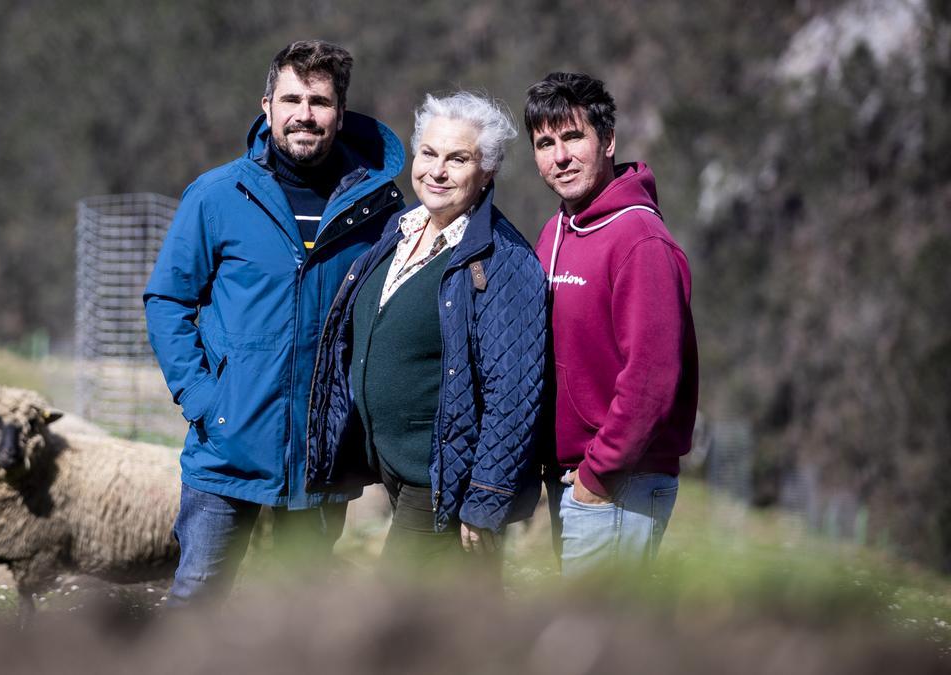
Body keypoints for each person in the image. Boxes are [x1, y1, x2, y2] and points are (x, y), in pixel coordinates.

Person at [143, 40, 405, 606]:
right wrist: (202, 397)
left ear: (340, 112)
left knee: (297, 613)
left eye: (320, 101)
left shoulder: (379, 208)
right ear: (267, 106)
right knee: (196, 602)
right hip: (226, 446)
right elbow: (166, 300)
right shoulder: (217, 195)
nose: (304, 114)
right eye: (291, 98)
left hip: (321, 454)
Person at [307, 92, 545, 577]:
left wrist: (485, 499)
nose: (437, 170)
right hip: (396, 468)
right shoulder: (400, 228)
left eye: (458, 159)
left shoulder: (503, 262)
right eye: (429, 154)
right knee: (457, 610)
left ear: (487, 174)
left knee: (401, 612)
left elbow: (515, 393)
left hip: (442, 479)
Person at [524, 72, 698, 576]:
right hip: (574, 481)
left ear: (609, 142)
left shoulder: (640, 240)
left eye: (574, 137)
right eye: (545, 143)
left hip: (620, 485)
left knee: (605, 644)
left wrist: (597, 476)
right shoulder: (555, 229)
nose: (560, 157)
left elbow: (651, 379)